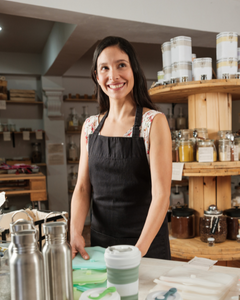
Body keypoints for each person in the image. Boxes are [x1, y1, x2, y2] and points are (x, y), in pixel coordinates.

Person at [70, 36, 172, 260]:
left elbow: (161, 196)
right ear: (97, 77)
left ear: (133, 70)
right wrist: (75, 232)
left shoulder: (153, 122)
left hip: (146, 245)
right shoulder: (90, 126)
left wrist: (138, 251)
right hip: (101, 247)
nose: (113, 76)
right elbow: (82, 189)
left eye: (121, 65)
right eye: (104, 68)